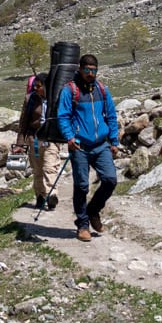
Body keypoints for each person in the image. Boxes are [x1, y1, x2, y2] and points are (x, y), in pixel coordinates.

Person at [56, 53, 119, 242]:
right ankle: (82, 224)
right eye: (87, 70)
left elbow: (111, 115)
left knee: (110, 180)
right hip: (80, 146)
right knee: (82, 186)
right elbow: (63, 116)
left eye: (94, 70)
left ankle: (93, 211)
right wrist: (69, 136)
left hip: (101, 145)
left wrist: (114, 140)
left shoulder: (102, 90)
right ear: (80, 69)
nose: (91, 73)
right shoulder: (70, 91)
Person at [17, 68, 61, 213]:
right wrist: (20, 144)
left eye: (38, 86)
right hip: (34, 138)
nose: (35, 88)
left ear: (46, 86)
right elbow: (23, 122)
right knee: (37, 171)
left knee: (50, 167)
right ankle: (40, 196)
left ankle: (51, 194)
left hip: (51, 138)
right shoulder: (29, 99)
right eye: (34, 86)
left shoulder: (56, 98)